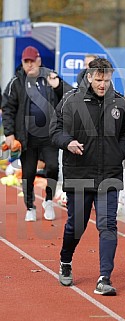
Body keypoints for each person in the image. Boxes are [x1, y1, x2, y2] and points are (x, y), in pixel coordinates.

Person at [50, 57, 125, 295]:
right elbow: (54, 130)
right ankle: (66, 261)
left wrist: (118, 153)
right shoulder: (71, 100)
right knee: (76, 226)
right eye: (98, 79)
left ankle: (104, 278)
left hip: (109, 174)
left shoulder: (119, 102)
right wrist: (68, 143)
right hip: (79, 173)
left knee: (108, 225)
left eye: (106, 80)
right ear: (89, 77)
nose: (103, 84)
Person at [1, 45, 72, 222]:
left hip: (50, 135)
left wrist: (59, 85)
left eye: (33, 61)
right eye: (26, 61)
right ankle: (30, 206)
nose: (30, 64)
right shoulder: (16, 82)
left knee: (53, 167)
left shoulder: (50, 77)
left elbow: (70, 96)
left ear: (39, 60)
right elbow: (8, 108)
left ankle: (48, 200)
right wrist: (9, 133)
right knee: (28, 173)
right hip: (26, 138)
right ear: (22, 63)